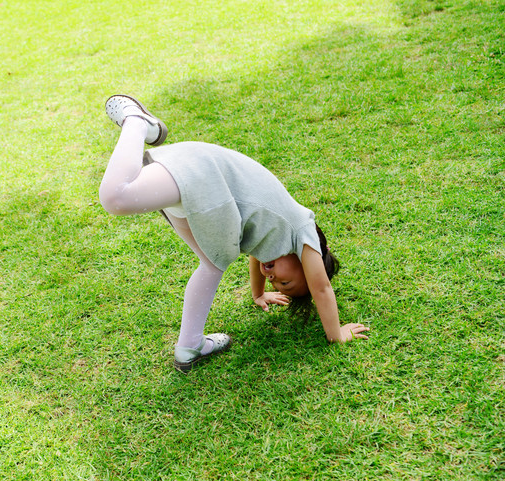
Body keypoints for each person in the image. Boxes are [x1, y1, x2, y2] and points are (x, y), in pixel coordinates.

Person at [99, 94, 369, 373]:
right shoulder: (303, 231)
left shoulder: (272, 242)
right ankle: (137, 122)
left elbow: (257, 259)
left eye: (275, 284)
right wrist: (335, 333)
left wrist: (258, 295)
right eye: (286, 284)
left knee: (212, 263)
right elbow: (321, 288)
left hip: (210, 193)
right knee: (115, 198)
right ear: (307, 265)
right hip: (206, 174)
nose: (274, 278)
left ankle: (189, 345)